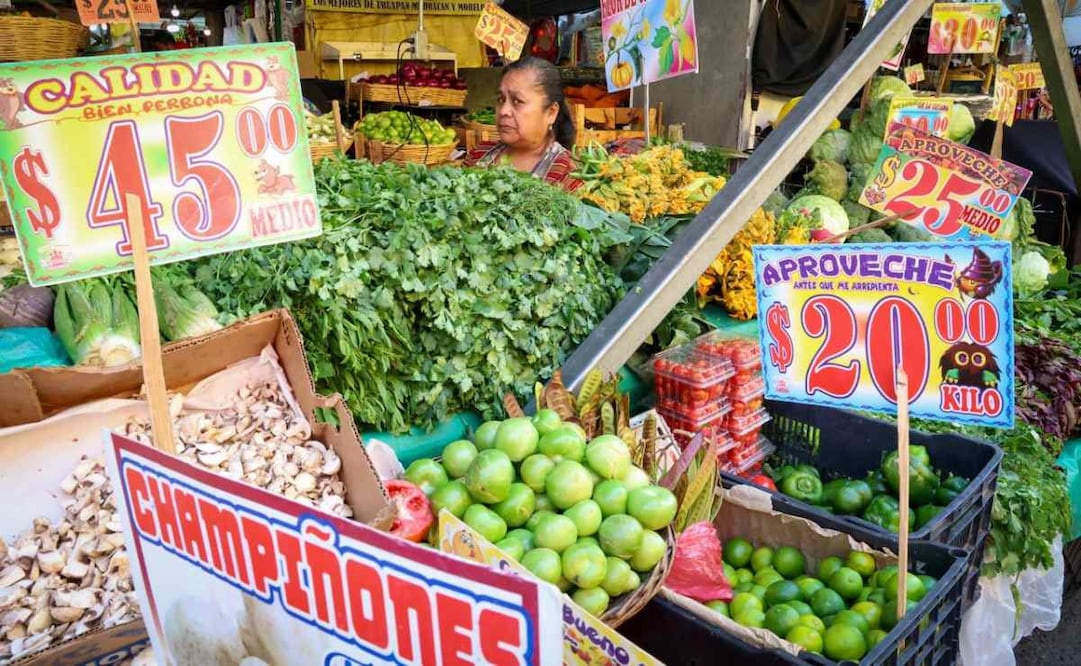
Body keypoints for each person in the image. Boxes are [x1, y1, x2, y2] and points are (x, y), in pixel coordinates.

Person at [464, 57, 581, 191]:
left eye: (518, 101)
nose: (503, 111)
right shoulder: (479, 154)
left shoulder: (568, 175)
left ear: (551, 113)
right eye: (501, 99)